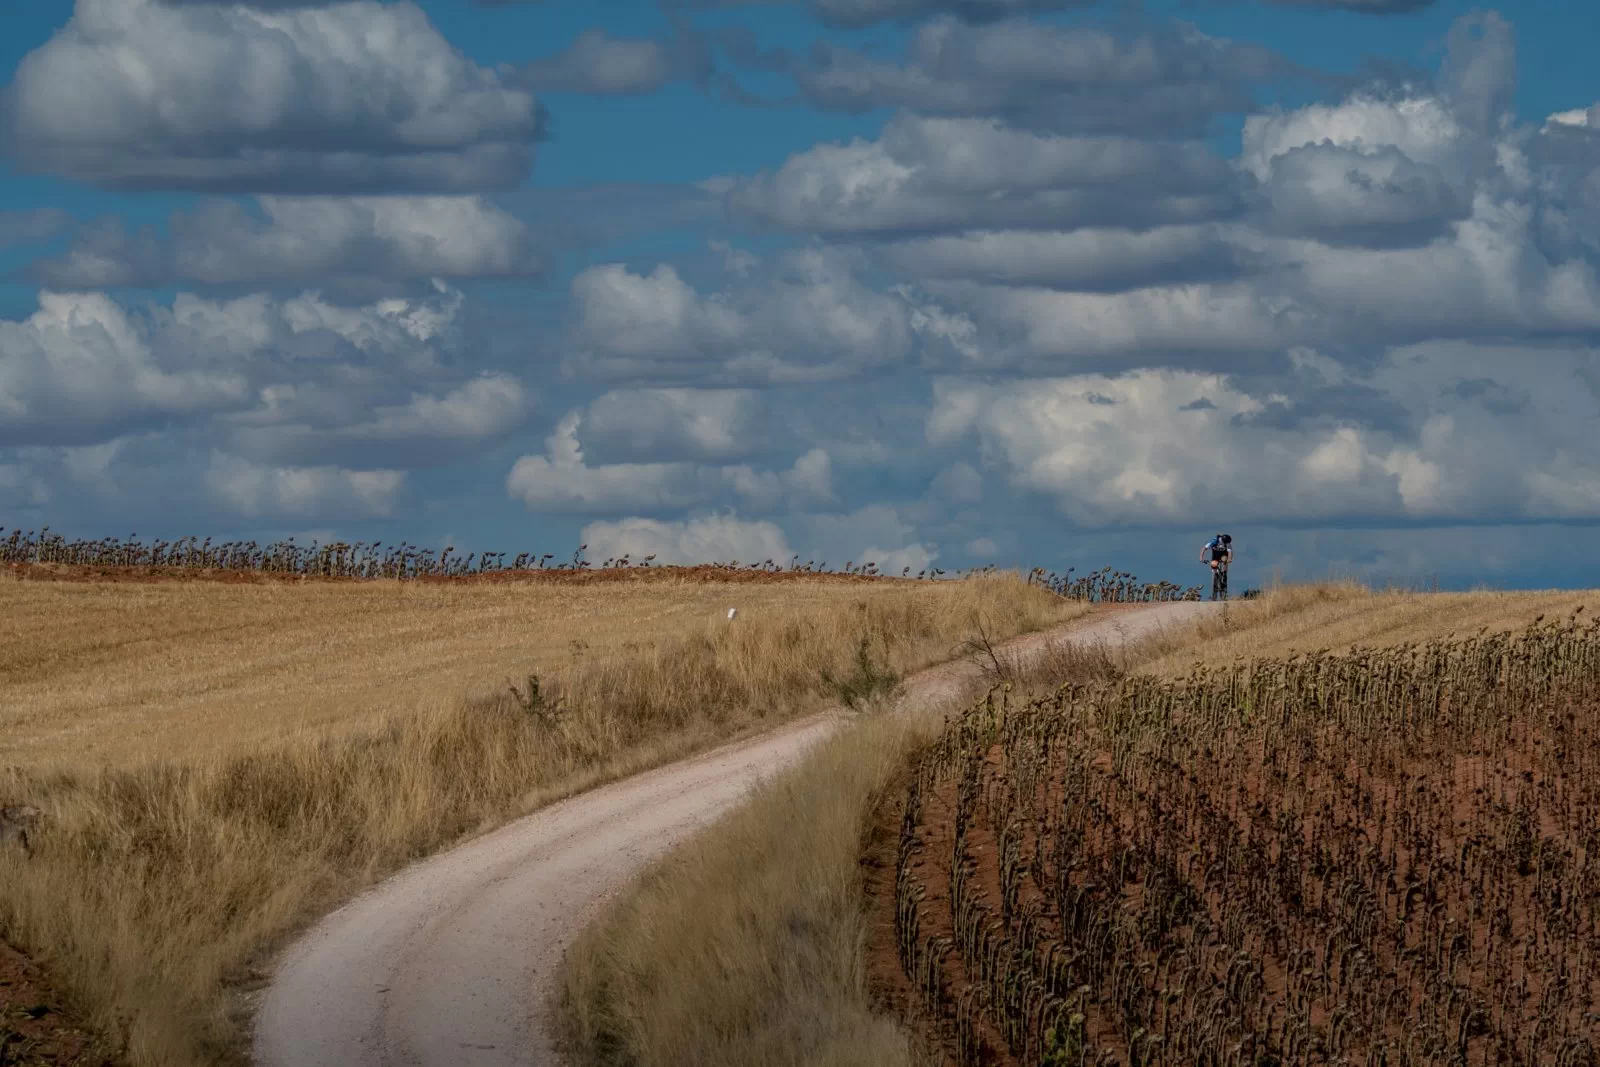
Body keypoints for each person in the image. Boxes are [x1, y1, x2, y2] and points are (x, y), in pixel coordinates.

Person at [1199, 533, 1233, 601]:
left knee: (1224, 561)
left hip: (1224, 555)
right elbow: (1204, 548)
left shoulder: (1228, 543)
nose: (1227, 544)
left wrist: (1229, 559)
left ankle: (1224, 574)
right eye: (1226, 542)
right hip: (1215, 556)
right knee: (1214, 565)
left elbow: (1230, 552)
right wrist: (1201, 558)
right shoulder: (1214, 541)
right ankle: (1215, 578)